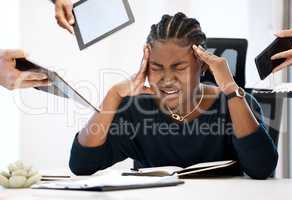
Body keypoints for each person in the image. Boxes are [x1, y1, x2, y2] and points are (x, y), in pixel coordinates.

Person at [69, 12, 278, 179]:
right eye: (157, 67)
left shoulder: (236, 104)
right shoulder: (136, 110)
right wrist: (113, 95)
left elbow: (261, 169)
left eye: (179, 67)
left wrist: (231, 89)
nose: (167, 79)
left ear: (203, 64)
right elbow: (81, 165)